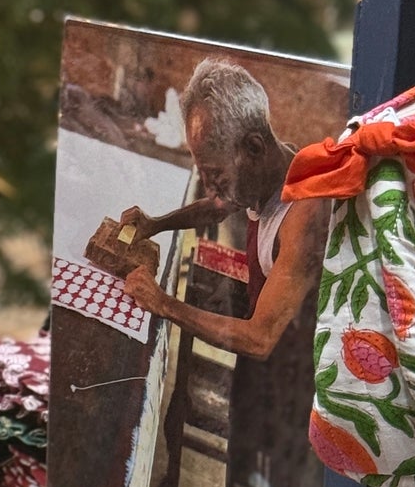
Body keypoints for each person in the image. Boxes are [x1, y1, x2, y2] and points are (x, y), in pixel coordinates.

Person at [118, 57, 327, 353]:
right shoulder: (273, 167)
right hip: (258, 337)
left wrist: (164, 303)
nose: (209, 187)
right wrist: (156, 224)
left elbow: (260, 339)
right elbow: (216, 207)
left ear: (254, 148)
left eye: (215, 174)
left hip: (290, 371)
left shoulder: (305, 213)